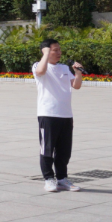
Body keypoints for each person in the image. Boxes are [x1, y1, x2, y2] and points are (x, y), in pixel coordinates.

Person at [33, 39, 84, 192]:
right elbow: (40, 72)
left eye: (59, 49)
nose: (59, 52)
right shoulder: (38, 66)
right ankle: (49, 179)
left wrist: (78, 73)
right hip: (48, 114)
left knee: (64, 151)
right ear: (46, 51)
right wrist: (46, 53)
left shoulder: (64, 68)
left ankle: (62, 179)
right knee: (47, 149)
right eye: (55, 50)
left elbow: (76, 86)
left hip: (66, 115)